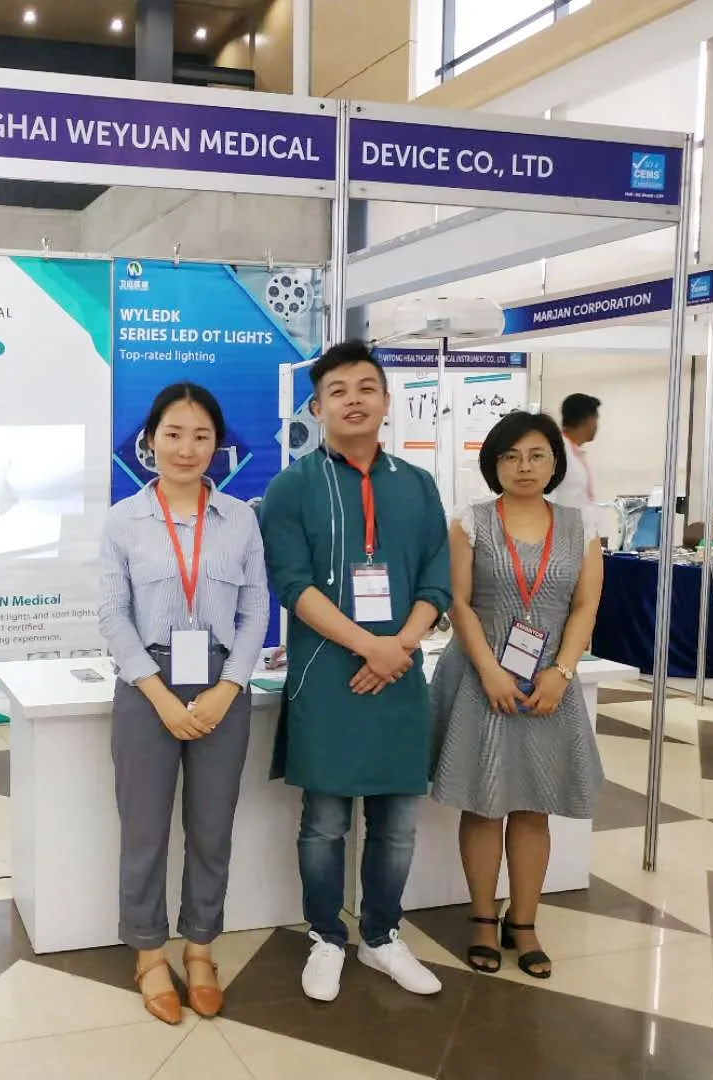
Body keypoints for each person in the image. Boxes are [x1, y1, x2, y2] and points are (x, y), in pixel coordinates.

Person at [258, 341, 449, 1003]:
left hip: (399, 676)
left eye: (367, 387)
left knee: (398, 823)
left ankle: (382, 937)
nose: (354, 400)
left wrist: (398, 646)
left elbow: (437, 580)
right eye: (337, 391)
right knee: (325, 822)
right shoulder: (292, 487)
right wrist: (371, 646)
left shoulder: (417, 485)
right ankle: (325, 937)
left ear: (387, 401)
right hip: (326, 676)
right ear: (316, 408)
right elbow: (293, 585)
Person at [98, 382, 269, 1025]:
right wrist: (158, 694)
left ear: (217, 444)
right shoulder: (123, 520)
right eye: (173, 434)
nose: (187, 448)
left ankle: (200, 949)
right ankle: (148, 953)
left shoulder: (241, 519)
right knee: (143, 830)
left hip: (222, 684)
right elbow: (112, 614)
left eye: (201, 436)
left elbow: (256, 610)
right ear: (150, 441)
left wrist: (230, 686)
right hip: (148, 686)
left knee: (212, 827)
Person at [429, 410, 604, 981]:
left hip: (548, 683)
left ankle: (523, 922)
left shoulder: (580, 526)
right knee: (483, 804)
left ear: (555, 463)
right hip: (483, 679)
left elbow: (585, 606)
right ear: (494, 464)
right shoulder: (471, 522)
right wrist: (490, 671)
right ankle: (483, 918)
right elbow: (458, 602)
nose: (524, 467)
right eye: (511, 456)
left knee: (533, 805)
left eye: (536, 456)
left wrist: (561, 671)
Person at [551, 393, 600, 531]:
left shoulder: (574, 452)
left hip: (581, 535)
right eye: (596, 419)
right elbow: (548, 496)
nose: (597, 425)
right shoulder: (557, 451)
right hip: (563, 535)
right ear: (589, 420)